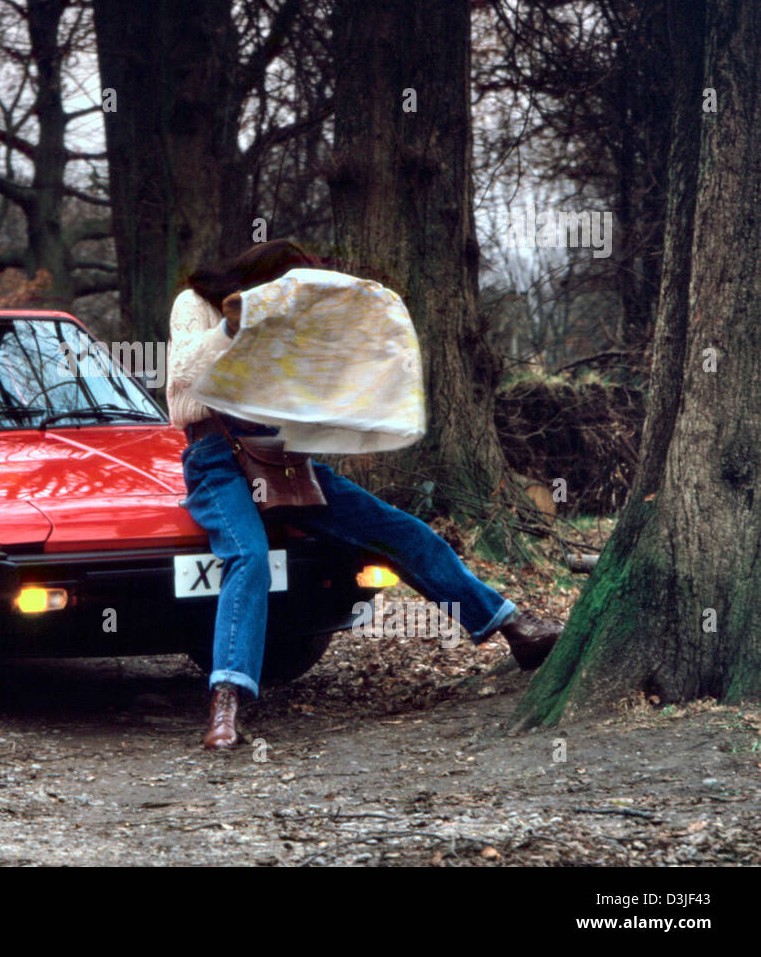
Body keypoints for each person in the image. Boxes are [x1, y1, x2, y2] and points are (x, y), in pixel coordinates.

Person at [167, 238, 563, 750]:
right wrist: (232, 327)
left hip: (283, 458)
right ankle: (226, 703)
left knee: (399, 530)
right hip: (215, 459)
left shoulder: (289, 320)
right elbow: (180, 384)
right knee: (249, 555)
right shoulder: (195, 303)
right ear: (258, 282)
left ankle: (513, 626)